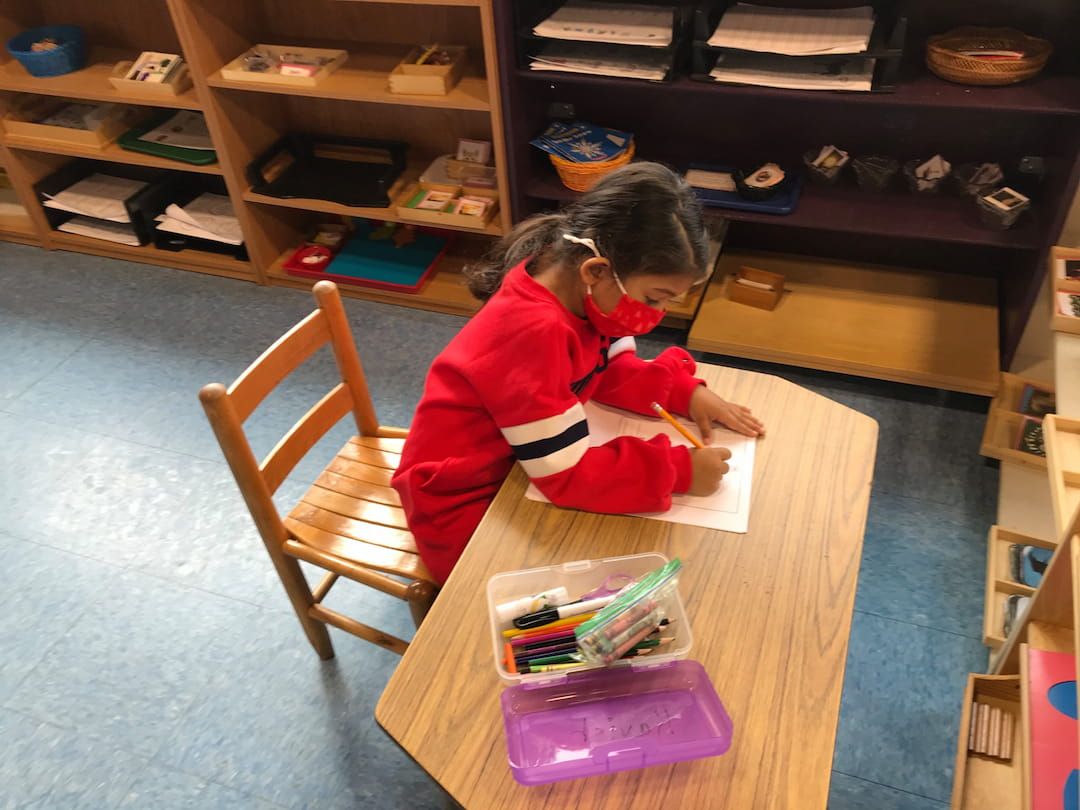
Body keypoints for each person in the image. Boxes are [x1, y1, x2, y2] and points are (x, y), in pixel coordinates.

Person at [392, 162, 765, 584]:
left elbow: (607, 369)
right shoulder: (534, 331)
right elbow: (564, 474)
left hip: (516, 467)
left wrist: (682, 391)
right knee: (559, 607)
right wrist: (678, 471)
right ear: (597, 270)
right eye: (655, 297)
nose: (657, 315)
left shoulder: (575, 284)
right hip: (462, 496)